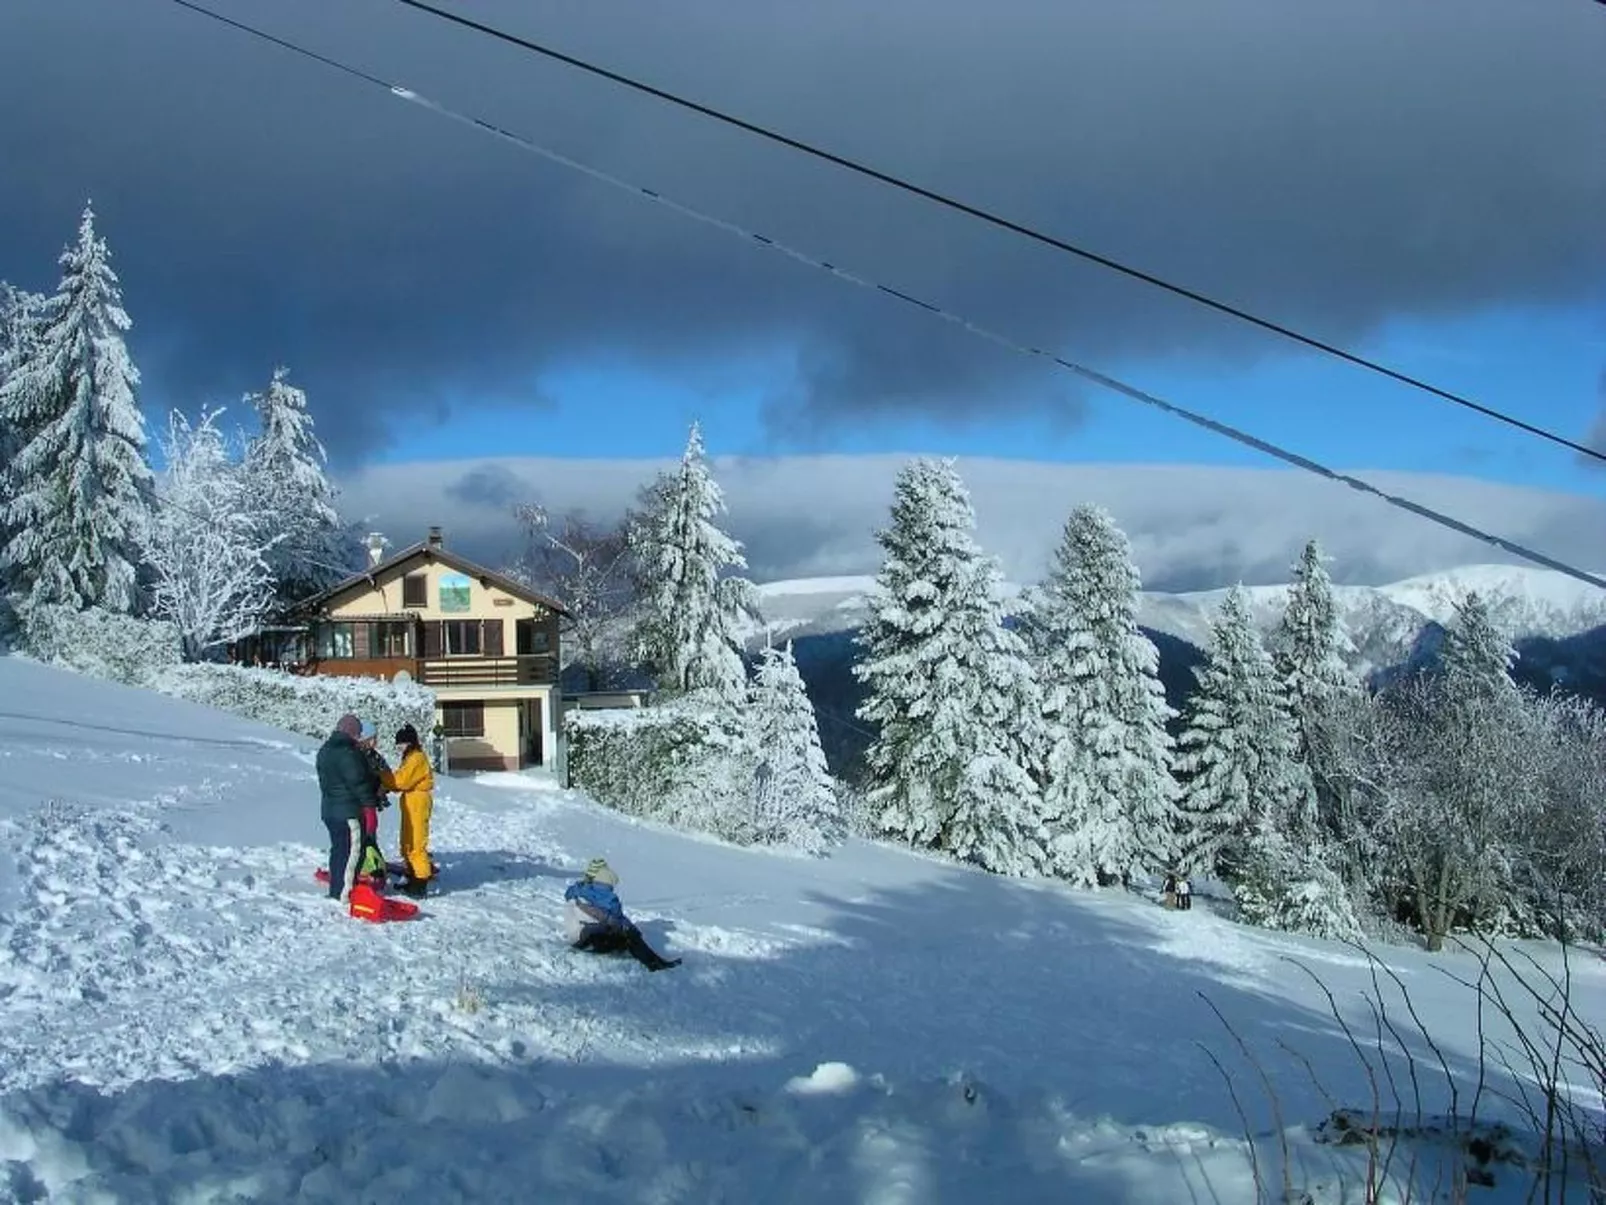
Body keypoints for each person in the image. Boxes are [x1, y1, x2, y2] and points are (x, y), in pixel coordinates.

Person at [563, 859, 679, 971]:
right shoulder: (607, 898)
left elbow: (605, 916)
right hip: (590, 939)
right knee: (628, 934)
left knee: (618, 927)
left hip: (576, 937)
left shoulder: (578, 890)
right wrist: (633, 931)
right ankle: (654, 964)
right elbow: (617, 920)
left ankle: (652, 960)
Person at [315, 714, 373, 902]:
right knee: (351, 854)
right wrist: (369, 806)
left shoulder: (325, 750)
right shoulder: (348, 753)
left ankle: (336, 888)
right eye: (358, 733)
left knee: (338, 850)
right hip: (348, 812)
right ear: (352, 732)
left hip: (329, 810)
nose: (359, 737)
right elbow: (359, 783)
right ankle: (344, 894)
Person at [390, 723, 436, 899]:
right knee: (408, 841)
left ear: (409, 742)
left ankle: (420, 882)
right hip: (411, 801)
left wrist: (384, 778)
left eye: (401, 744)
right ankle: (411, 876)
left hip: (417, 802)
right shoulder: (410, 758)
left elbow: (401, 781)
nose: (399, 747)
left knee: (416, 842)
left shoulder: (416, 758)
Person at [355, 721, 391, 882]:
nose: (376, 741)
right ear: (365, 738)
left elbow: (386, 774)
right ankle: (362, 865)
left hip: (371, 803)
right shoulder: (355, 755)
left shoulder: (375, 756)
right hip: (358, 804)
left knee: (370, 833)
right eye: (373, 738)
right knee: (361, 835)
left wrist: (383, 788)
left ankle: (371, 863)